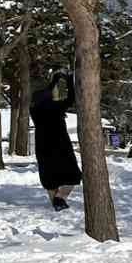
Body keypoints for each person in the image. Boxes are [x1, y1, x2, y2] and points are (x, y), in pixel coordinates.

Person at [30, 72, 81, 211]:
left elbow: (44, 93)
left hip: (43, 147)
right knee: (73, 176)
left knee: (49, 178)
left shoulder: (34, 110)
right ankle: (61, 198)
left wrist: (54, 81)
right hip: (60, 145)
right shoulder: (56, 108)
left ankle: (56, 204)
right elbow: (72, 98)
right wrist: (69, 81)